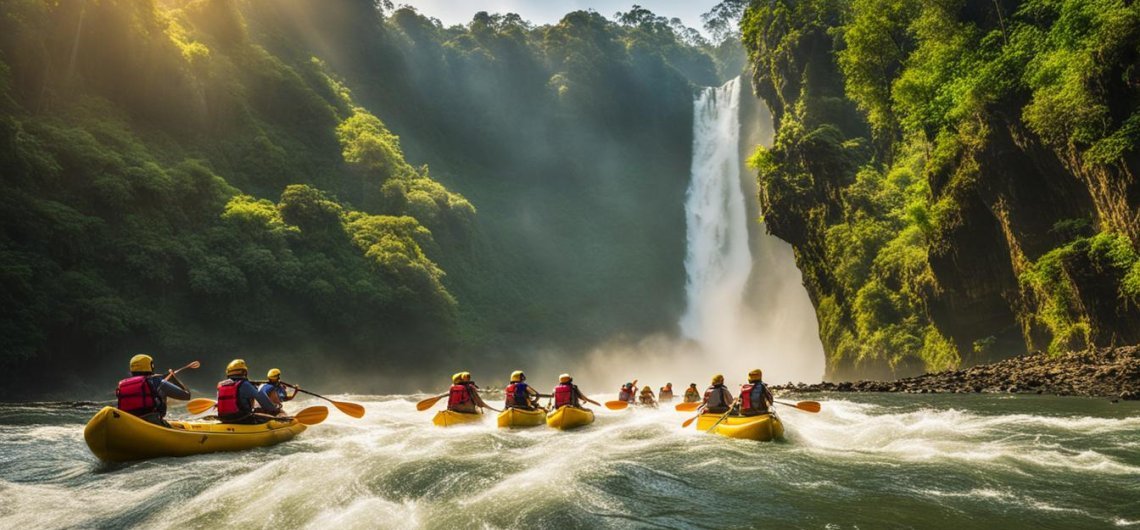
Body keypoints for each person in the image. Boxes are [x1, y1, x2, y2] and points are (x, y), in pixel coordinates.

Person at [115, 354, 191, 426]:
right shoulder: (159, 382)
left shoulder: (123, 385)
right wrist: (173, 379)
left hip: (128, 423)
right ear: (151, 366)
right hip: (153, 423)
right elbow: (187, 395)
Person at [217, 359, 280, 424]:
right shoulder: (245, 384)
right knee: (272, 415)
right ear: (244, 372)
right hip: (242, 418)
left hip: (223, 419)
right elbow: (262, 400)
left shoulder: (221, 385)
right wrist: (274, 409)